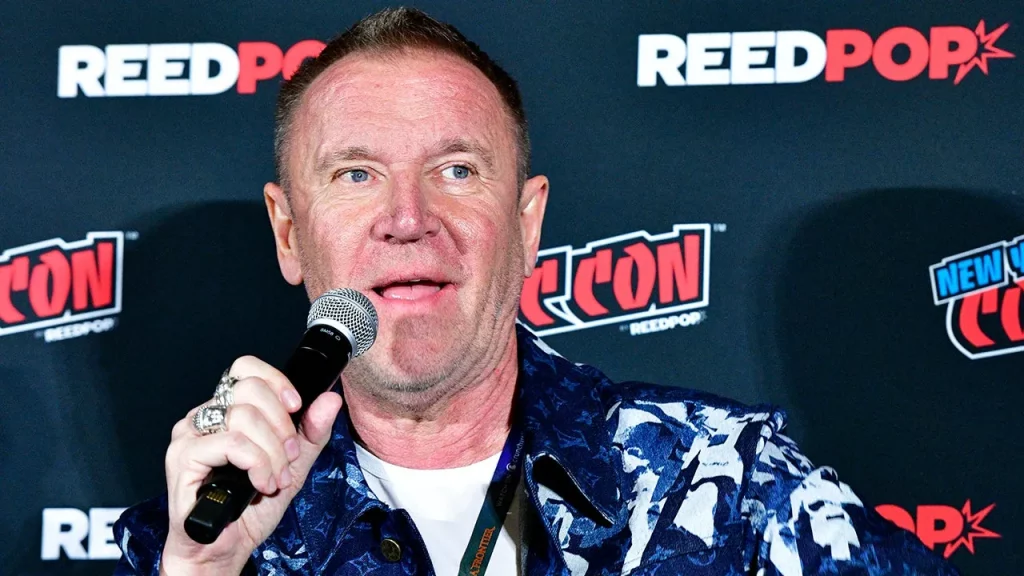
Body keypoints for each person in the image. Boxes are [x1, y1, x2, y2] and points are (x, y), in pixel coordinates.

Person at [114, 7, 960, 576]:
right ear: (290, 234)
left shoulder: (730, 487)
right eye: (356, 173)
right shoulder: (199, 532)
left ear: (527, 223)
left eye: (456, 170)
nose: (407, 219)